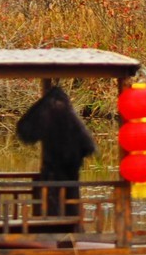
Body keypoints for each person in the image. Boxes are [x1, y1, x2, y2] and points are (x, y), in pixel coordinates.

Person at [16, 84, 97, 218]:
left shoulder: (48, 113)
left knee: (58, 208)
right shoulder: (68, 117)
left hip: (57, 176)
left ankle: (60, 227)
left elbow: (25, 132)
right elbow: (88, 146)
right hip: (65, 176)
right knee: (64, 208)